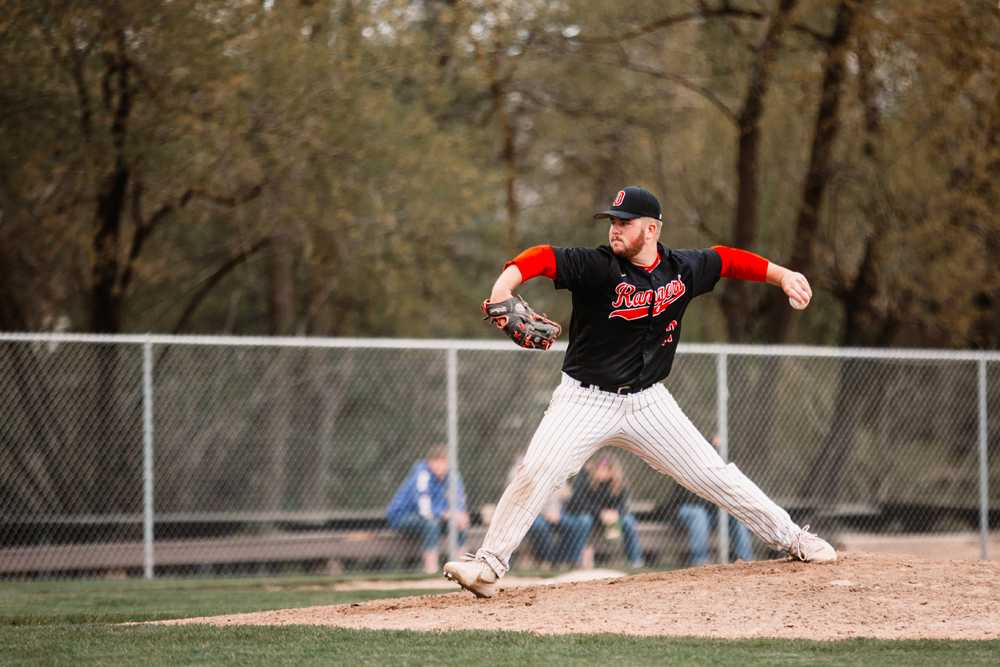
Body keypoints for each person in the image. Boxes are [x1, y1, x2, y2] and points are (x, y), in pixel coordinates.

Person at [444, 185, 836, 598]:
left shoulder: (683, 269)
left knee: (714, 475)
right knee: (537, 470)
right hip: (584, 400)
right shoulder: (597, 267)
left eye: (624, 222)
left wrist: (784, 275)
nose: (615, 229)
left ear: (651, 229)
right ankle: (488, 566)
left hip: (649, 402)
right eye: (612, 221)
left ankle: (793, 538)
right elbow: (542, 258)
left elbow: (728, 260)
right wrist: (502, 288)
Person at [670, 435, 754, 565]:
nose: (717, 452)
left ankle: (745, 559)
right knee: (698, 514)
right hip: (687, 509)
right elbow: (688, 498)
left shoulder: (721, 469)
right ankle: (700, 561)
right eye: (714, 448)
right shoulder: (690, 464)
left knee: (735, 515)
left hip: (710, 514)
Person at [386, 445, 469, 574]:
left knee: (459, 526)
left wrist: (460, 514)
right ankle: (431, 570)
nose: (439, 465)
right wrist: (448, 514)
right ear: (429, 462)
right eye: (436, 461)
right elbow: (424, 510)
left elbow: (459, 499)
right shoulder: (422, 474)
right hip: (403, 517)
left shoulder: (452, 476)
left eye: (443, 461)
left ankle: (462, 570)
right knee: (431, 525)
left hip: (435, 516)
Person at [508, 453, 590, 569]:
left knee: (581, 523)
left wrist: (564, 498)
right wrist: (545, 513)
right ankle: (548, 560)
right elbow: (523, 498)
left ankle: (568, 561)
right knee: (539, 526)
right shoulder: (522, 467)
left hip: (556, 513)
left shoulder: (555, 465)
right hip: (531, 514)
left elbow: (563, 494)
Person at [563, 453, 645, 569]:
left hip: (613, 518)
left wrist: (617, 513)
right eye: (599, 469)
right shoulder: (587, 482)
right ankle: (574, 560)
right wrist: (600, 513)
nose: (601, 472)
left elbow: (624, 504)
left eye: (605, 469)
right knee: (584, 520)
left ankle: (636, 561)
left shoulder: (619, 484)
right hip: (594, 517)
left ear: (612, 471)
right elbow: (581, 502)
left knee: (628, 521)